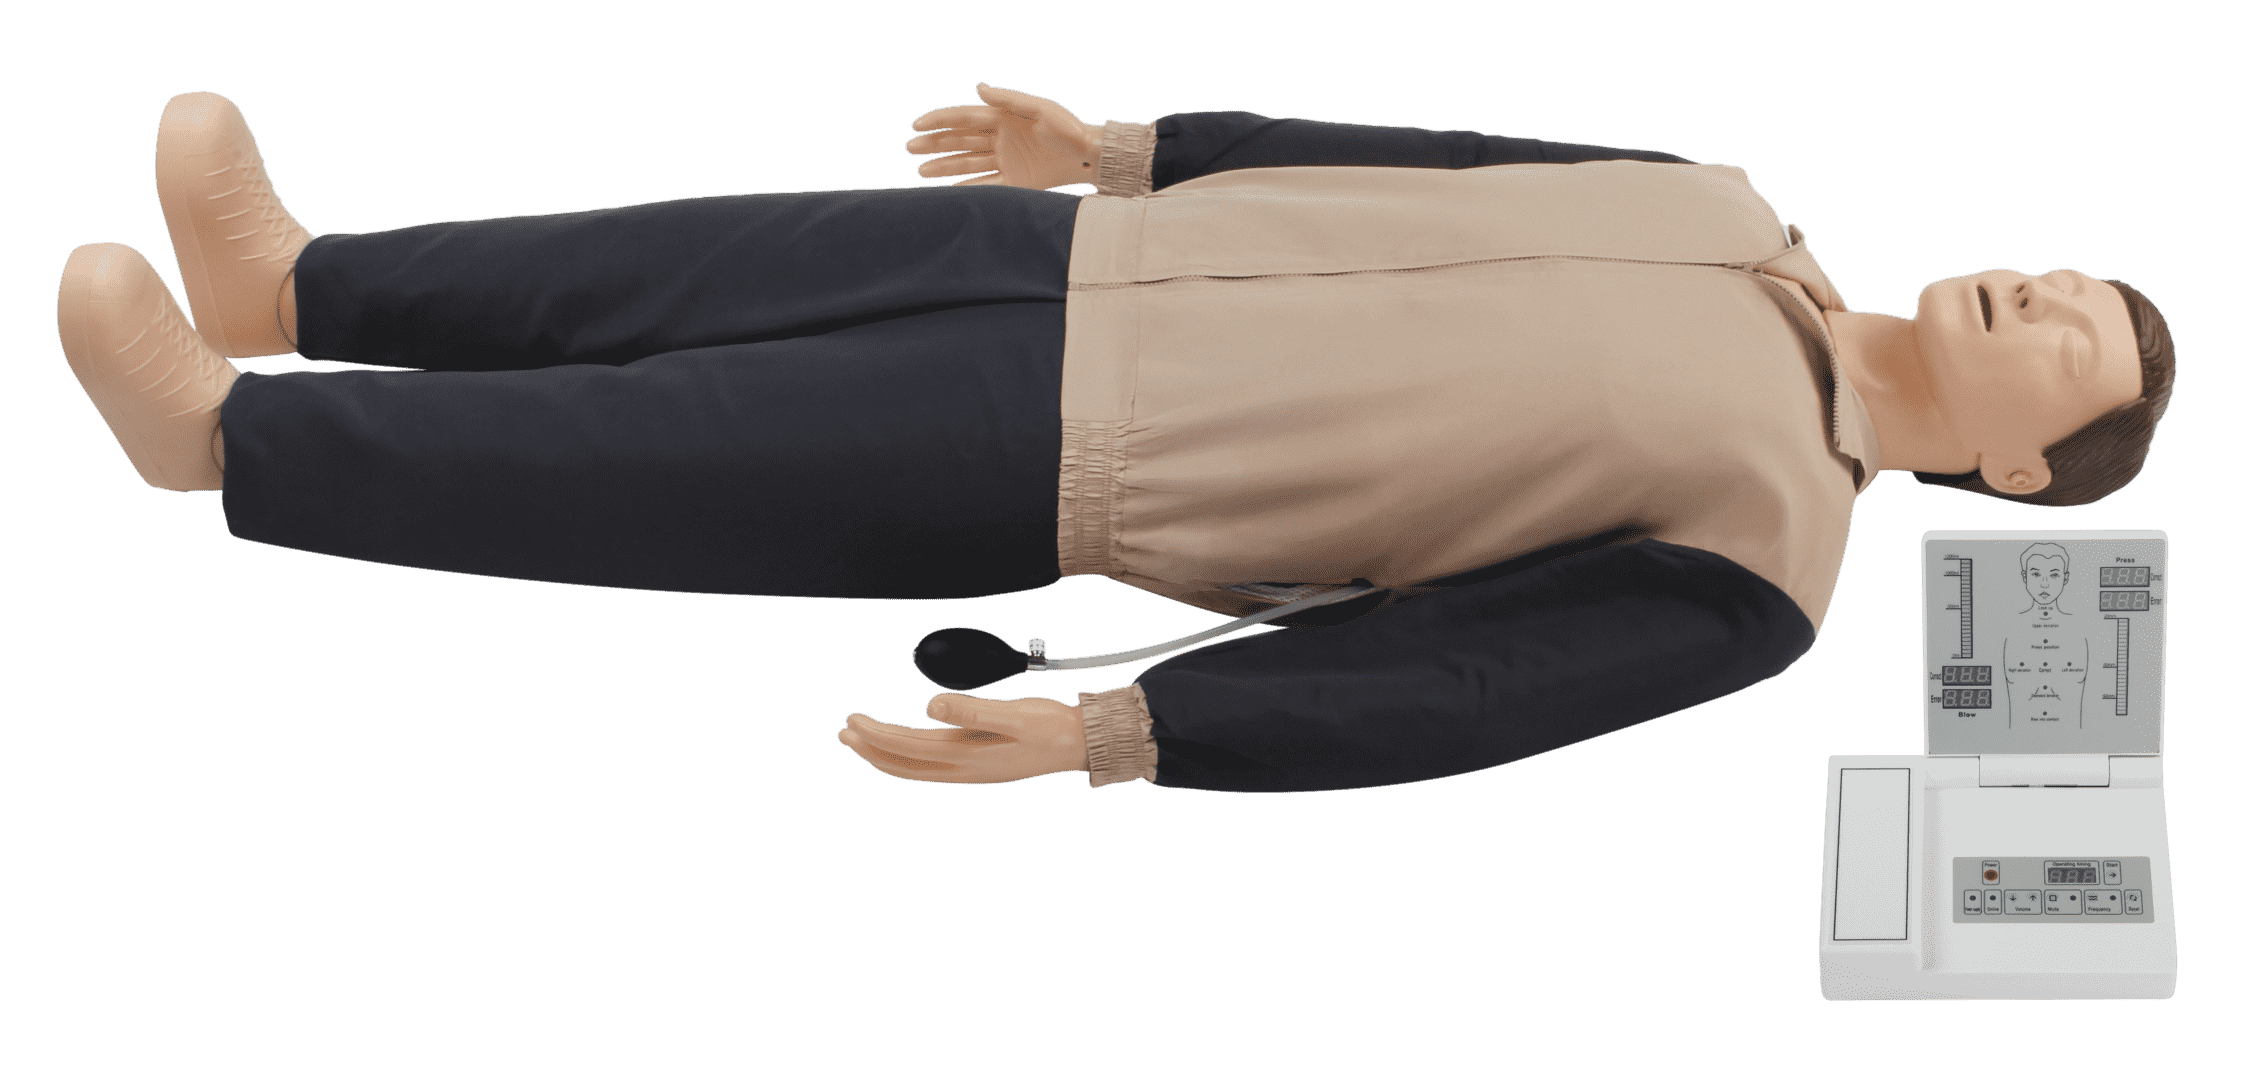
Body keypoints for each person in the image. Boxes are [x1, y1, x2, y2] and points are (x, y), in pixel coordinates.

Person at [57, 86, 2177, 793]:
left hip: (1082, 444)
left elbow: (1461, 689)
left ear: (2016, 474)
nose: (2036, 286)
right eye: (2055, 269)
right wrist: (1134, 148)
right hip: (1080, 255)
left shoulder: (1769, 559)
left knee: (658, 443)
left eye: (2069, 332)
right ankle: (298, 289)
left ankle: (232, 443)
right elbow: (1434, 160)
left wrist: (1121, 736)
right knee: (665, 267)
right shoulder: (1732, 198)